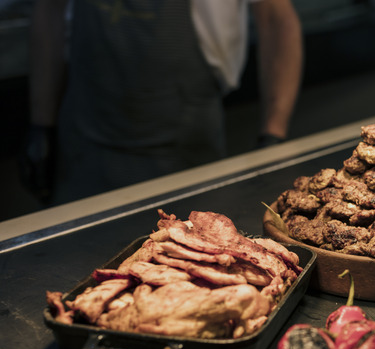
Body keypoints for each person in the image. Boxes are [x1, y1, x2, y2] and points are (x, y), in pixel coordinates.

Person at [22, 0, 303, 204]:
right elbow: (50, 11)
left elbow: (276, 19)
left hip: (185, 145)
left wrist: (273, 136)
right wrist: (41, 125)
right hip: (85, 143)